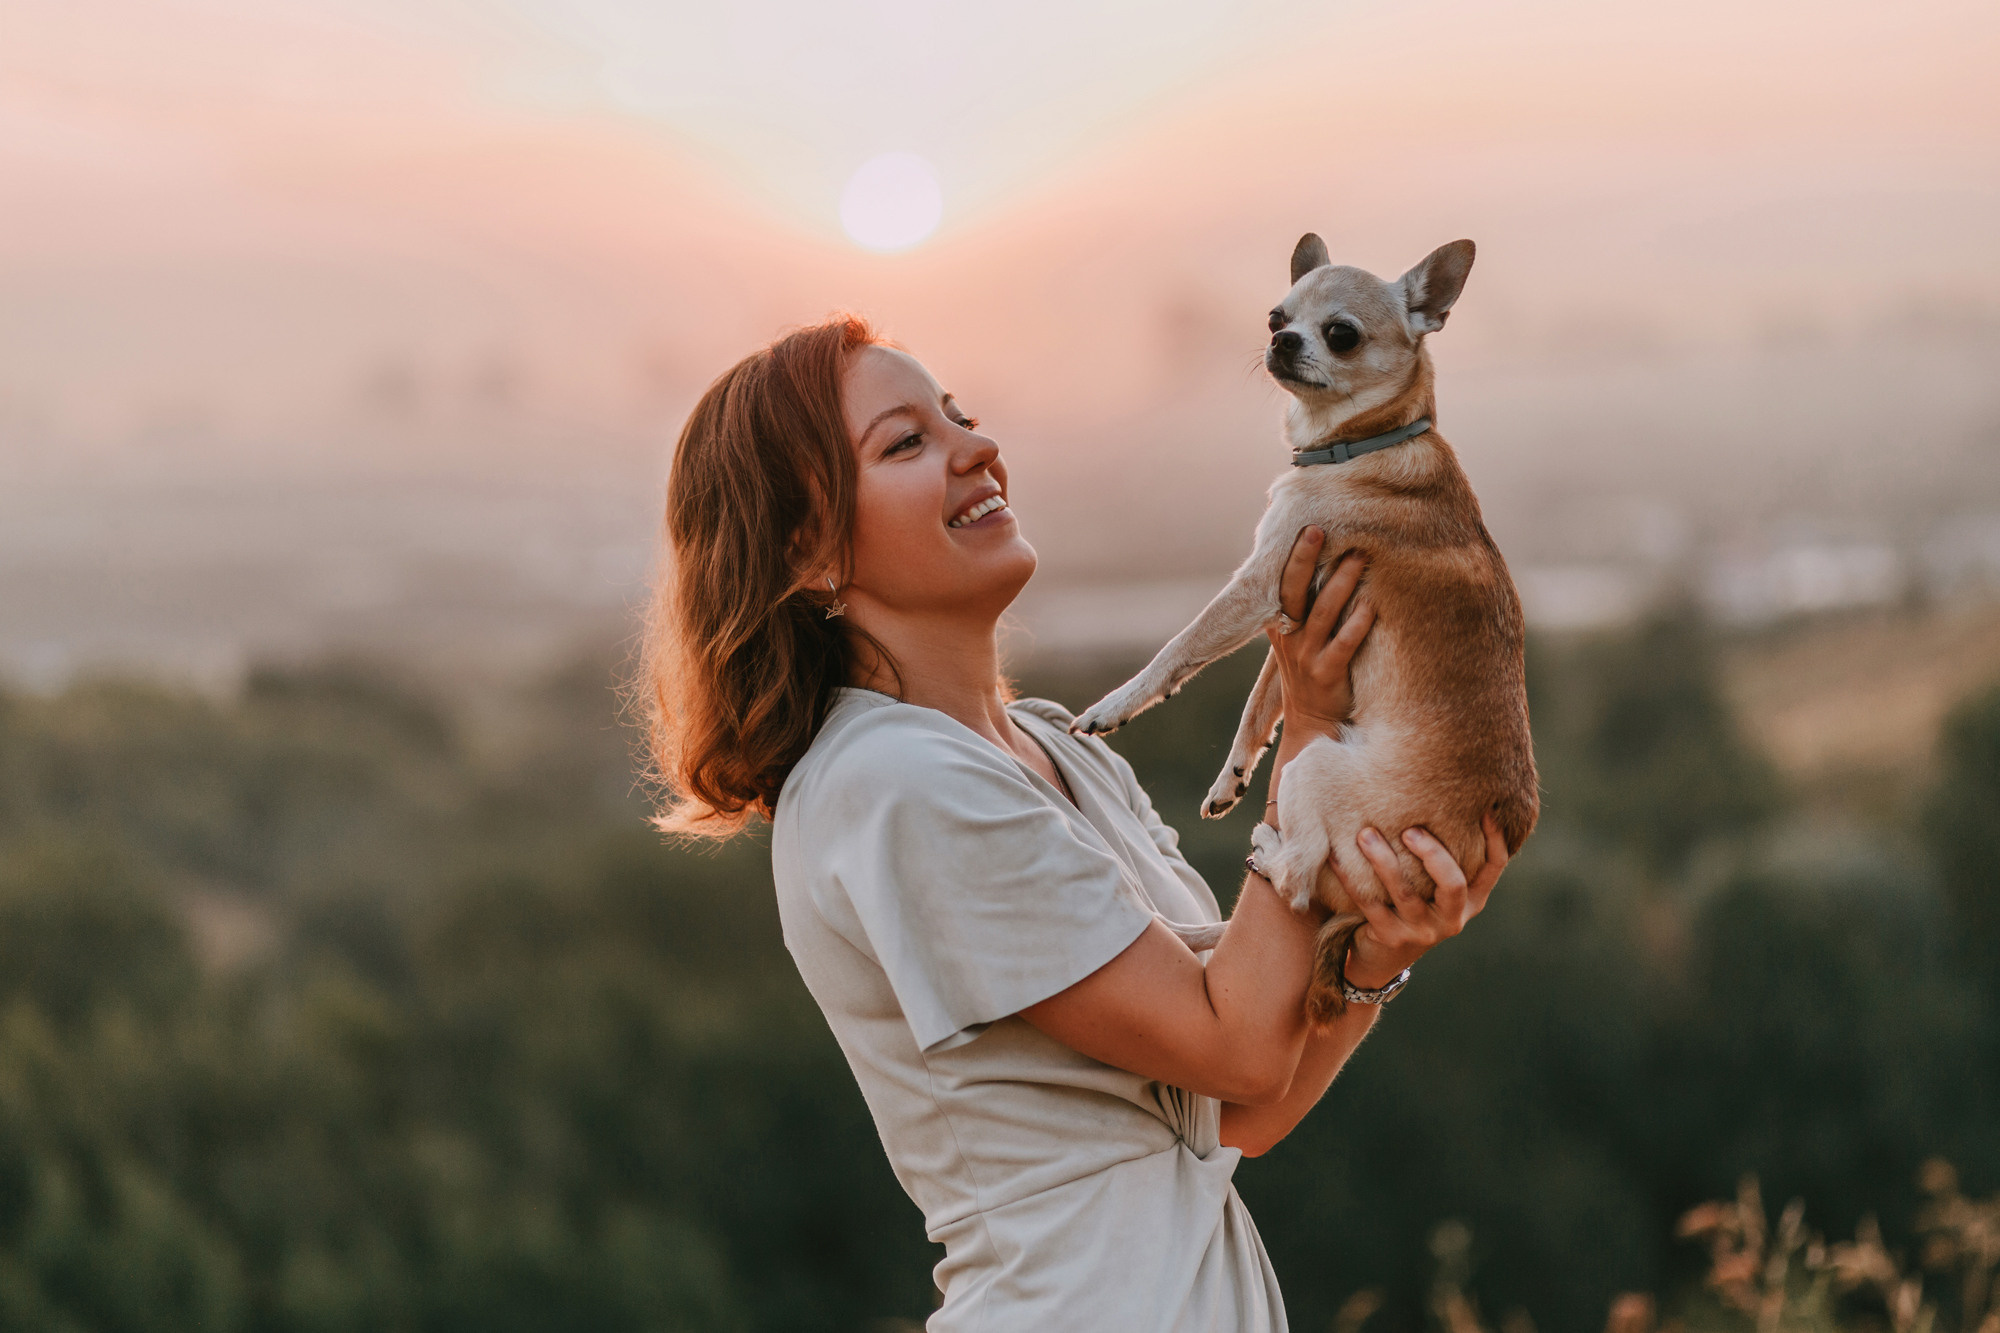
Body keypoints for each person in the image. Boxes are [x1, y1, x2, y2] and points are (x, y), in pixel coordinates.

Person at [640, 315, 1509, 1332]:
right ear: (808, 549)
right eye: (906, 442)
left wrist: (1368, 956)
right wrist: (1309, 737)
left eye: (957, 415)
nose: (975, 447)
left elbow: (1236, 1111)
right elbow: (1232, 1046)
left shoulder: (1059, 753)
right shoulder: (894, 786)